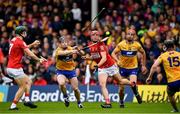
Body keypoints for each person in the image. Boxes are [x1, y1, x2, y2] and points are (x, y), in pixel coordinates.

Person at [81, 30, 142, 108]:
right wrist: (88, 58)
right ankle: (108, 103)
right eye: (93, 34)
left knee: (120, 81)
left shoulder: (101, 45)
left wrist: (97, 65)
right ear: (91, 36)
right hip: (102, 68)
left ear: (99, 36)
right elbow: (95, 56)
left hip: (110, 66)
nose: (95, 36)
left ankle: (132, 84)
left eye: (97, 34)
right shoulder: (91, 46)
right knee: (102, 85)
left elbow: (104, 58)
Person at [7, 26, 47, 110]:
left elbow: (23, 48)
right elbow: (29, 54)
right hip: (15, 67)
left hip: (10, 67)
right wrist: (39, 59)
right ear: (21, 33)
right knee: (23, 86)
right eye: (24, 32)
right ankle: (18, 103)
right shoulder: (20, 41)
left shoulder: (14, 40)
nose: (26, 33)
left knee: (28, 81)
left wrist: (32, 44)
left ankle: (25, 100)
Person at [111, 29, 147, 108]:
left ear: (134, 36)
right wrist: (117, 60)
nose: (130, 35)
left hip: (133, 68)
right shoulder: (121, 44)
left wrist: (143, 65)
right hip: (122, 68)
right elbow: (113, 53)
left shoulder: (137, 45)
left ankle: (136, 94)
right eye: (128, 34)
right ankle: (121, 101)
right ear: (126, 35)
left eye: (132, 34)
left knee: (133, 83)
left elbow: (143, 52)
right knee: (121, 89)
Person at [146, 40, 180, 113]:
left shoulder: (163, 56)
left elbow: (154, 66)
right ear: (173, 46)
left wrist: (150, 77)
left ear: (165, 47)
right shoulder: (179, 54)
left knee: (170, 94)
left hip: (172, 81)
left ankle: (176, 109)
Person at [55, 36, 83, 108]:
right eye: (62, 42)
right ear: (59, 44)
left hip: (71, 71)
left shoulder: (70, 48)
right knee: (61, 83)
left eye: (65, 42)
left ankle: (79, 102)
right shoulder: (58, 51)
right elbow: (63, 53)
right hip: (61, 71)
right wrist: (72, 51)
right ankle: (65, 96)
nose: (64, 44)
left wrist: (78, 50)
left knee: (76, 89)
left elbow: (82, 53)